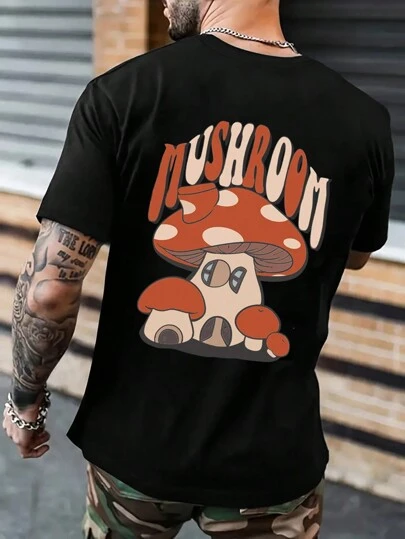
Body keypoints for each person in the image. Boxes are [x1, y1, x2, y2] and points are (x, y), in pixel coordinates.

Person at [3, 0, 395, 537]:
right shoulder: (363, 120)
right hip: (272, 461)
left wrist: (26, 401)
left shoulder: (123, 93)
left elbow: (49, 291)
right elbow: (354, 254)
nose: (163, 2)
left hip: (135, 452)